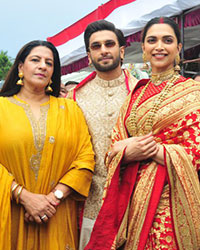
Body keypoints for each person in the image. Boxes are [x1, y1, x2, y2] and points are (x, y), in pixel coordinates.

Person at [85, 17, 200, 250]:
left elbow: (194, 154)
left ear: (178, 48)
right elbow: (113, 149)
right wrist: (125, 151)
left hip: (171, 200)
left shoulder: (193, 93)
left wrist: (149, 150)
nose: (159, 46)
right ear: (144, 48)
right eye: (152, 40)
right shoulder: (135, 94)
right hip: (133, 198)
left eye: (167, 40)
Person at [0, 40, 95, 250]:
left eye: (49, 63)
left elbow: (85, 159)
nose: (43, 66)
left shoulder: (70, 110)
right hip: (10, 212)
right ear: (21, 67)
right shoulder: (1, 108)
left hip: (56, 214)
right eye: (35, 60)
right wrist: (23, 196)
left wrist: (53, 198)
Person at [67, 20, 138, 249]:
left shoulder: (141, 91)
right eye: (96, 46)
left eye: (109, 44)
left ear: (122, 50)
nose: (104, 50)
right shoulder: (74, 99)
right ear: (89, 55)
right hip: (90, 207)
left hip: (135, 203)